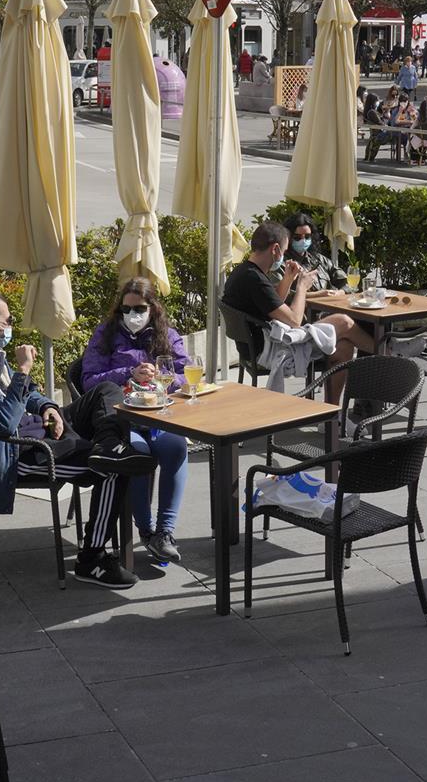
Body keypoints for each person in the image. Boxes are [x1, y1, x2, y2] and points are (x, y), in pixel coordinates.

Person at [0, 288, 156, 589]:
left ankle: (107, 445)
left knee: (106, 392)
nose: (10, 326)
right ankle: (92, 560)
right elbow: (1, 424)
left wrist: (47, 406)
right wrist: (23, 371)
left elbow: (27, 393)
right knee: (113, 470)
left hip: (36, 428)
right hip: (18, 452)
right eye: (7, 320)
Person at [79, 279, 192, 566]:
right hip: (121, 421)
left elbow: (185, 373)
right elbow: (88, 380)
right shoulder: (105, 335)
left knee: (176, 448)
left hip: (158, 417)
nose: (132, 314)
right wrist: (128, 372)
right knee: (137, 456)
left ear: (153, 308)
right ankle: (147, 529)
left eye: (139, 308)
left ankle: (165, 533)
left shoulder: (168, 335)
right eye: (125, 309)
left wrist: (162, 378)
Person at [224, 221, 374, 403]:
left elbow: (273, 303)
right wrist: (302, 287)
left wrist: (288, 279)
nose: (284, 256)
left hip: (255, 346)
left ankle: (329, 418)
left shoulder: (244, 272)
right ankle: (390, 352)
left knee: (344, 347)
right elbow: (294, 321)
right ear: (276, 249)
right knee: (344, 322)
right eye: (285, 250)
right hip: (270, 350)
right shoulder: (254, 279)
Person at [279, 212, 350, 292]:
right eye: (297, 237)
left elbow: (347, 282)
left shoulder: (320, 260)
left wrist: (341, 292)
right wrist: (319, 295)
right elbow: (281, 295)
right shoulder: (282, 264)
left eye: (307, 236)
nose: (303, 241)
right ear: (288, 237)